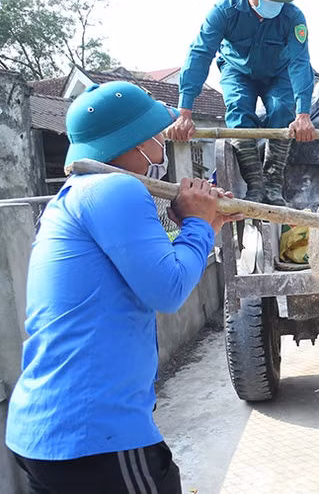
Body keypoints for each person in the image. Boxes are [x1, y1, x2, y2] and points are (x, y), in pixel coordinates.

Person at [5, 81, 242, 494]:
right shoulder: (115, 188)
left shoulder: (76, 196)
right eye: (156, 137)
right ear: (133, 142)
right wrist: (198, 225)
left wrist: (203, 225)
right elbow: (168, 289)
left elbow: (148, 270)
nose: (161, 148)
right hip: (93, 434)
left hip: (48, 433)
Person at [171, 0, 315, 206]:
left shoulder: (293, 17)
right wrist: (185, 110)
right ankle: (255, 184)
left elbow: (300, 63)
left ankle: (273, 182)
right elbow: (200, 54)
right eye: (270, 0)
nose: (275, 5)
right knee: (238, 110)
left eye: (280, 0)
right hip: (237, 70)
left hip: (278, 73)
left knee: (283, 110)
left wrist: (303, 114)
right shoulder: (224, 11)